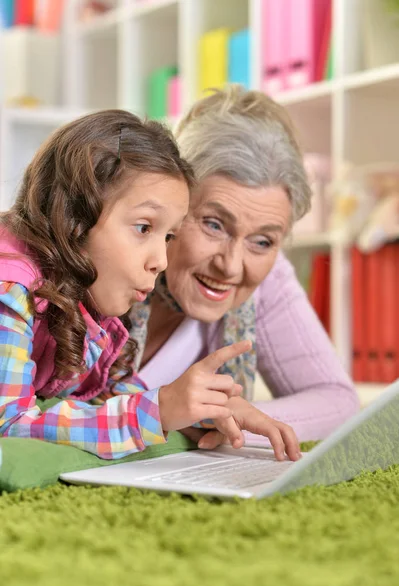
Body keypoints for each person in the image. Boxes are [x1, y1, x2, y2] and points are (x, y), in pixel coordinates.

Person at [0, 109, 300, 461]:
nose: (162, 260)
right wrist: (154, 412)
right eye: (144, 227)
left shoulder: (88, 299)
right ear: (74, 219)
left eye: (169, 235)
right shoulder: (11, 288)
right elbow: (9, 424)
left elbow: (106, 393)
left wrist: (201, 408)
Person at [129, 86, 360, 450]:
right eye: (213, 224)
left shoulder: (264, 276)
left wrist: (228, 414)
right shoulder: (109, 252)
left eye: (263, 241)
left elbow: (337, 401)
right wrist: (162, 411)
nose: (231, 266)